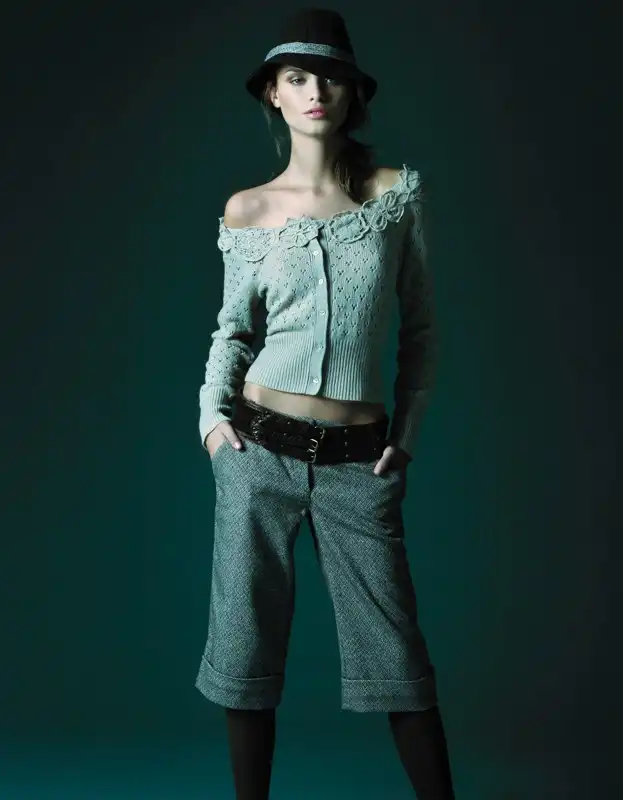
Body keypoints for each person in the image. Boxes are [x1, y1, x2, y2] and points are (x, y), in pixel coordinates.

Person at [195, 8, 456, 799]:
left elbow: (422, 330)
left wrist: (405, 436)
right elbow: (231, 332)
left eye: (330, 78)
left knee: (397, 660)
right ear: (273, 94)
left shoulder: (393, 196)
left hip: (356, 463)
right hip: (256, 454)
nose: (315, 91)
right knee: (244, 651)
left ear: (351, 94)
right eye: (297, 77)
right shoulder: (246, 209)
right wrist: (211, 423)